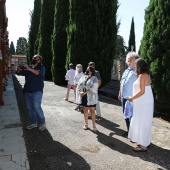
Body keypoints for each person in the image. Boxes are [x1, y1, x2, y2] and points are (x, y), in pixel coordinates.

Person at [127, 58, 154, 152]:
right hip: (144, 102)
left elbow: (142, 91)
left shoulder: (142, 76)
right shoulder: (146, 75)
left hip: (143, 102)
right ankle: (144, 142)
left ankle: (143, 146)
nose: (135, 67)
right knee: (144, 122)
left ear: (139, 66)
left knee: (143, 122)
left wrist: (132, 98)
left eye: (136, 65)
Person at [16, 54, 46, 131]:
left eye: (35, 58)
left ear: (39, 61)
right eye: (33, 57)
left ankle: (42, 122)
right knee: (30, 108)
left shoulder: (41, 68)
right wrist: (18, 70)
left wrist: (29, 69)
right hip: (27, 92)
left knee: (36, 107)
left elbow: (38, 73)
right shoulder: (28, 68)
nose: (33, 59)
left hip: (37, 91)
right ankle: (33, 123)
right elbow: (19, 73)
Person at [118, 52, 139, 137]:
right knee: (126, 115)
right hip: (124, 96)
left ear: (135, 60)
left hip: (132, 98)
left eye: (131, 59)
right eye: (128, 59)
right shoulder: (126, 71)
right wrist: (120, 93)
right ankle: (129, 131)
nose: (128, 60)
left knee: (133, 116)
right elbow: (121, 83)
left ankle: (135, 134)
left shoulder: (137, 71)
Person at [77, 67, 98, 132]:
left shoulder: (94, 79)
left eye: (88, 70)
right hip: (84, 97)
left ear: (91, 72)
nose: (87, 71)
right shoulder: (83, 77)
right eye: (86, 70)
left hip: (91, 98)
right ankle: (86, 124)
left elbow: (94, 88)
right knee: (85, 110)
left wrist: (85, 92)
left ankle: (94, 126)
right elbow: (78, 85)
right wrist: (79, 91)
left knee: (92, 111)